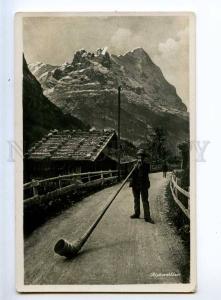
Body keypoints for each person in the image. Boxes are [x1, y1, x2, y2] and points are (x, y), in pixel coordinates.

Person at [129, 149, 153, 223]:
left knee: (145, 200)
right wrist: (135, 167)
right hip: (135, 185)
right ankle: (137, 213)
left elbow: (146, 172)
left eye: (142, 156)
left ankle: (147, 217)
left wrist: (140, 165)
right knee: (136, 200)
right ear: (137, 156)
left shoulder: (146, 165)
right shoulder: (134, 164)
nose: (140, 157)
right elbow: (131, 174)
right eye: (139, 155)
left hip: (143, 185)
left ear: (144, 157)